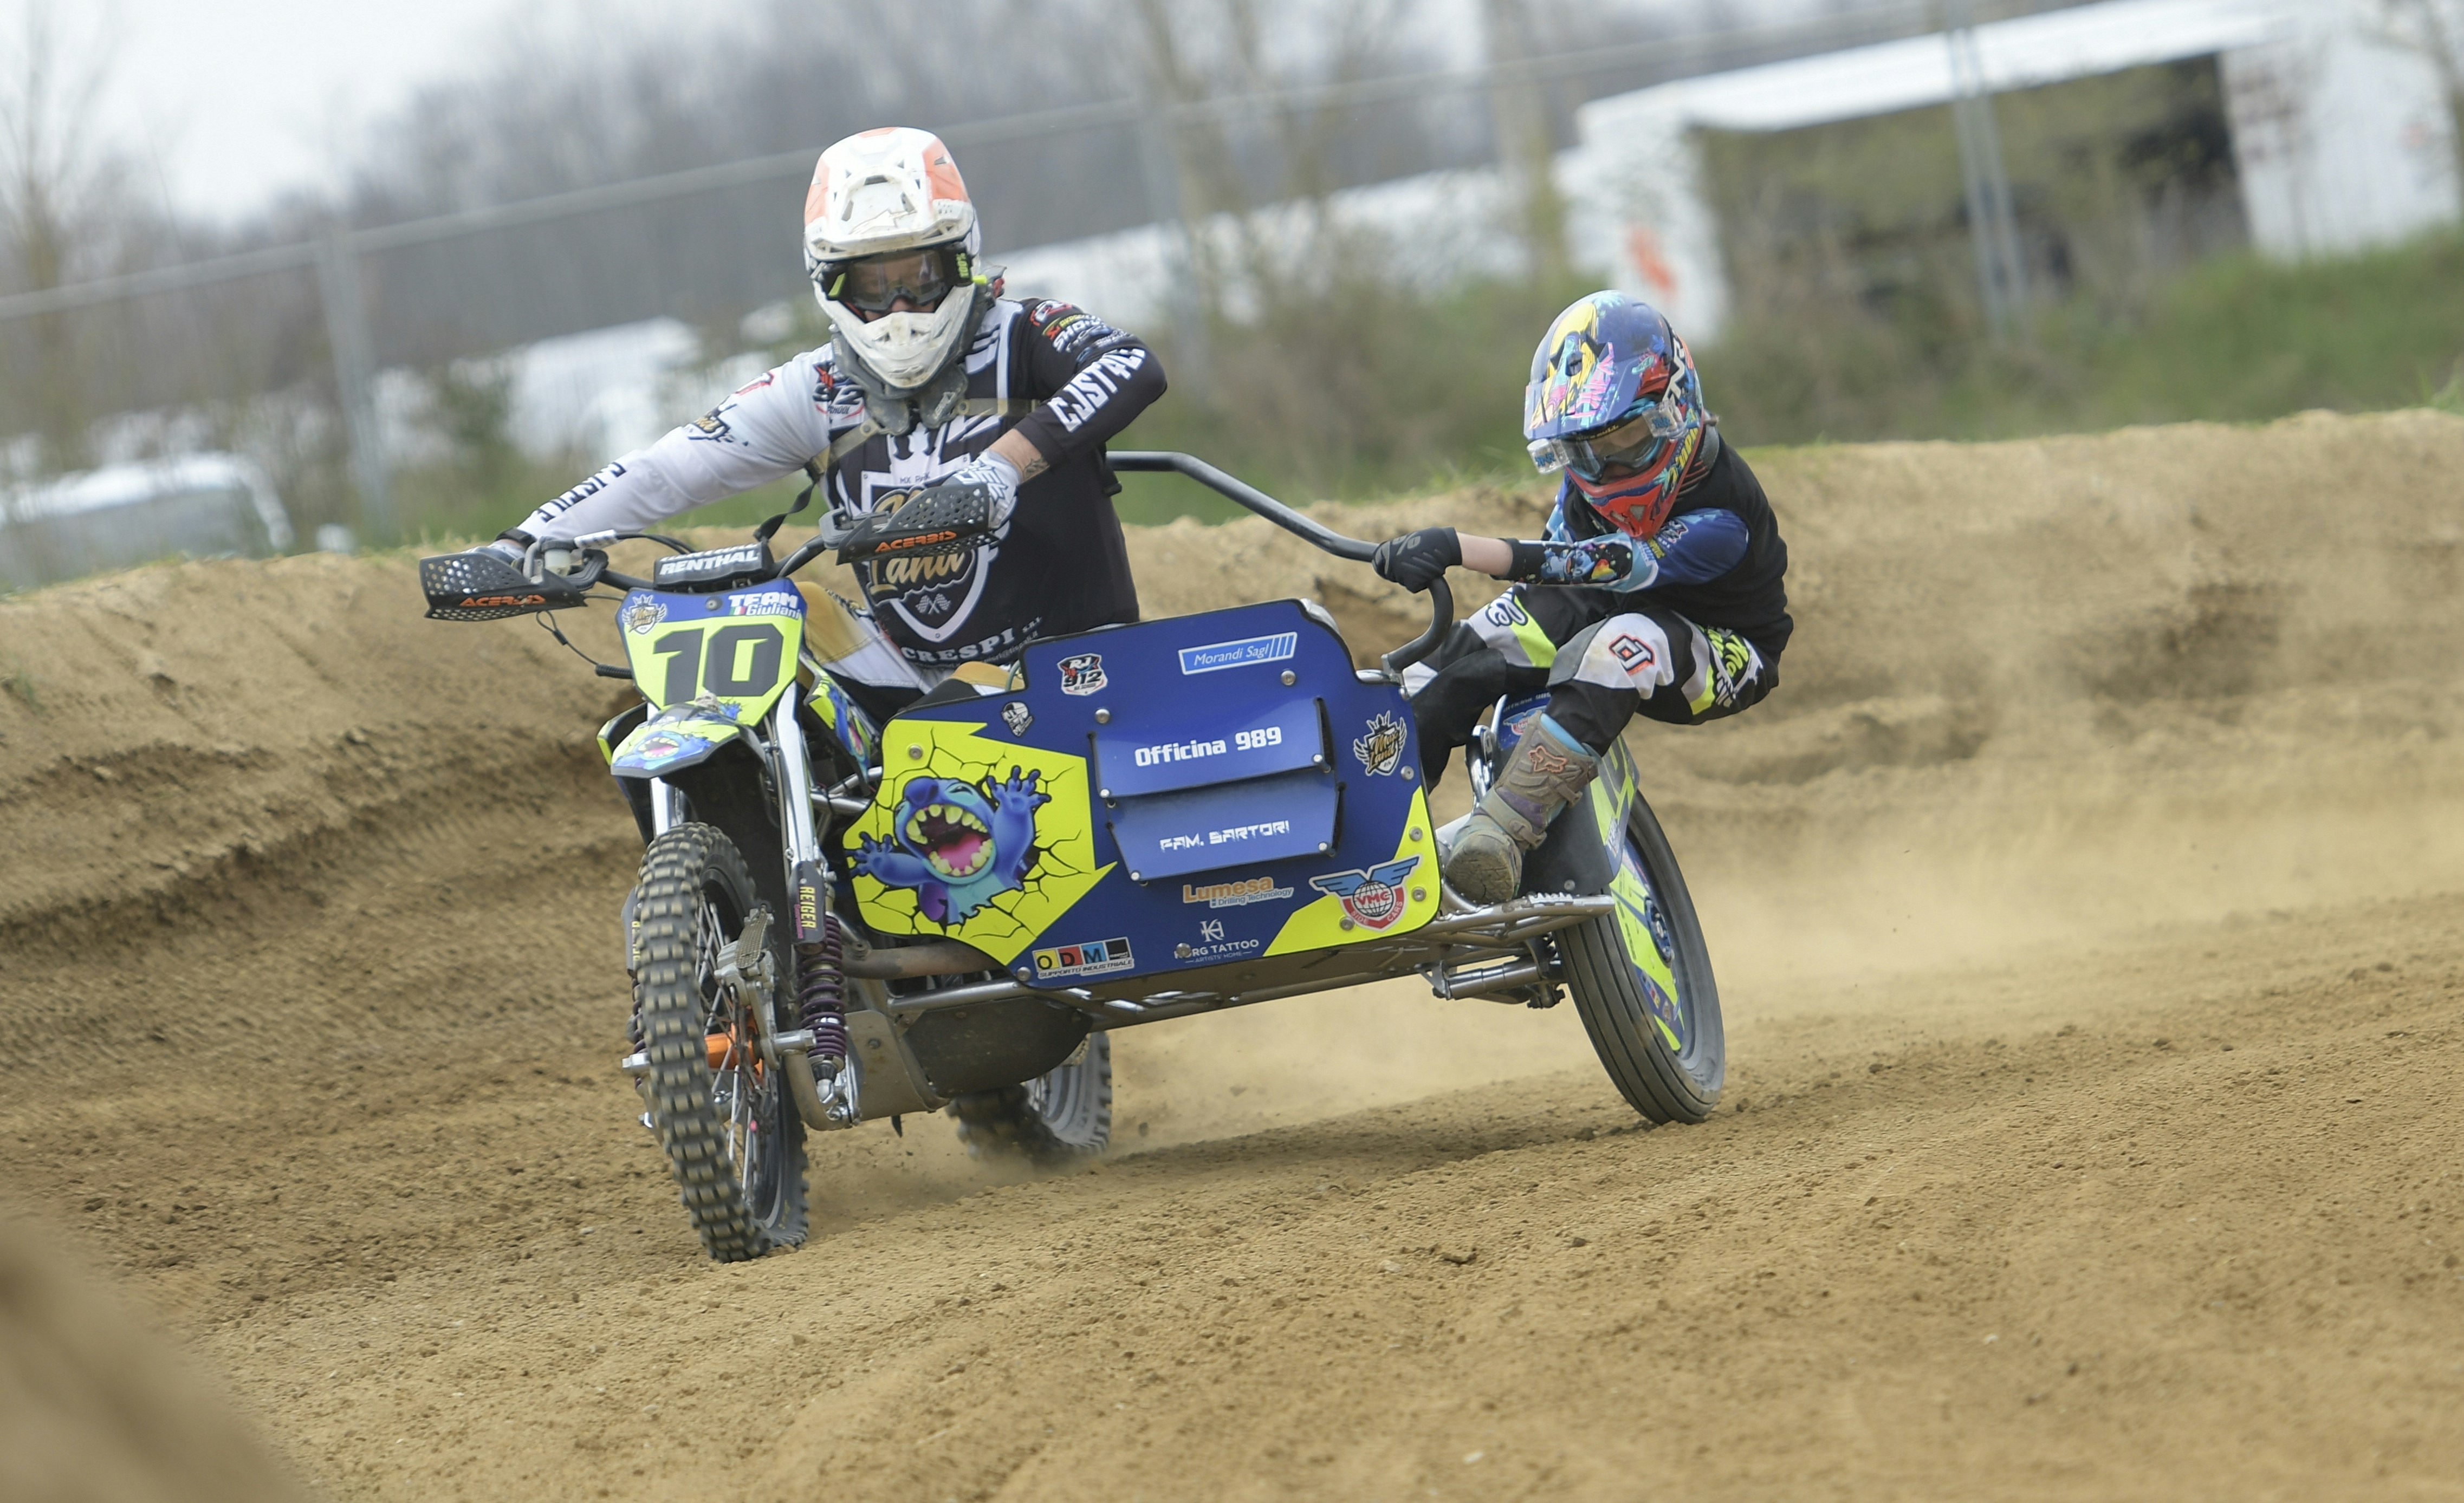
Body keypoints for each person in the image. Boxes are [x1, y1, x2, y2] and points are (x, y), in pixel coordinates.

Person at [494, 126, 1165, 707]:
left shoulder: (1026, 332)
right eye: (872, 284)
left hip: (1072, 671)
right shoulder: (817, 387)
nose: (899, 305)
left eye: (920, 275)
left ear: (963, 260)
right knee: (779, 614)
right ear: (829, 283)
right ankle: (767, 832)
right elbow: (668, 469)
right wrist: (521, 544)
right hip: (908, 682)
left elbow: (1132, 366)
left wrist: (1000, 469)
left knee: (984, 690)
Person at [1370, 291, 1791, 904]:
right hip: (1612, 602)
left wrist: (1457, 545)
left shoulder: (1724, 508)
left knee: (1625, 647)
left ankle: (1503, 833)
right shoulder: (1581, 495)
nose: (1607, 470)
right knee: (1471, 648)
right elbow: (1553, 590)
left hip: (1726, 650)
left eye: (1626, 440)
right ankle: (1371, 826)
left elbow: (1607, 565)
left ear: (1677, 407)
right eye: (1583, 453)